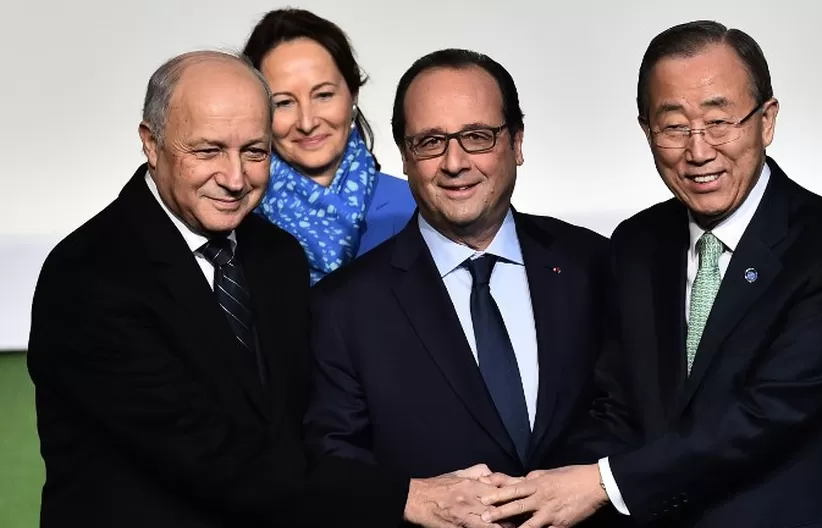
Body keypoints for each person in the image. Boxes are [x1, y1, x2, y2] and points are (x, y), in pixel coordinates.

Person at [26, 49, 508, 528]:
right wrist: (406, 497)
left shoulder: (276, 255)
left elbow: (301, 425)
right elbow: (205, 456)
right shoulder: (88, 276)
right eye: (208, 150)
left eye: (254, 151)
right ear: (151, 144)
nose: (235, 178)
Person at [479, 20, 822, 528]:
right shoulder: (637, 245)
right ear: (646, 130)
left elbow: (767, 416)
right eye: (674, 126)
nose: (698, 152)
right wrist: (531, 491)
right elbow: (618, 407)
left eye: (720, 122)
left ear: (766, 120)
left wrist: (601, 483)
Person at [304, 48, 622, 520]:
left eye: (477, 137)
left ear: (516, 142)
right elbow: (328, 465)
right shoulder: (343, 307)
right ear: (406, 158)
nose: (454, 163)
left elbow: (632, 412)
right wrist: (411, 499)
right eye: (430, 142)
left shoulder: (594, 262)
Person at [243, 8, 415, 285]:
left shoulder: (416, 209)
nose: (307, 122)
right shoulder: (236, 221)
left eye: (323, 95)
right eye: (283, 102)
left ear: (353, 95)